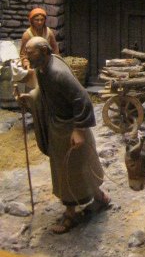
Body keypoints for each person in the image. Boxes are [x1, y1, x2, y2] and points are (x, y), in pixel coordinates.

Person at [18, 37, 110, 234]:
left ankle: (71, 214)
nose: (26, 56)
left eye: (30, 52)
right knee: (81, 165)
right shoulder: (42, 68)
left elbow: (82, 98)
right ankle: (99, 197)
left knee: (68, 170)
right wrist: (31, 98)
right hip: (59, 127)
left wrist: (78, 130)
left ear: (44, 51)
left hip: (69, 128)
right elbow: (45, 92)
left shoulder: (57, 73)